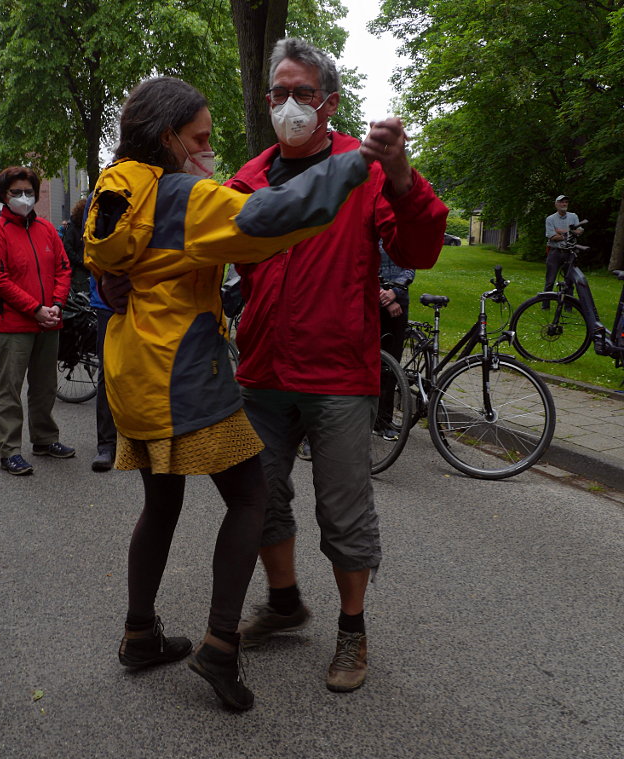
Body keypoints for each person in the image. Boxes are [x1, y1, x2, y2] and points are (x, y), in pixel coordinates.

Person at [83, 75, 395, 711]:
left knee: (161, 504)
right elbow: (272, 217)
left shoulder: (117, 189)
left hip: (133, 373)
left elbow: (105, 268)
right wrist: (354, 164)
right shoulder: (188, 196)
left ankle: (139, 634)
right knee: (251, 495)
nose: (207, 149)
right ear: (169, 137)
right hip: (186, 373)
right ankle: (220, 647)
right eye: (198, 138)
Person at [229, 38, 447, 693]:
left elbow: (419, 244)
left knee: (344, 512)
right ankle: (287, 599)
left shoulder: (365, 167)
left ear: (329, 101)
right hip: (263, 371)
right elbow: (237, 260)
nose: (289, 104)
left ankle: (353, 628)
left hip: (337, 373)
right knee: (257, 499)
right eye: (279, 92)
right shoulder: (249, 178)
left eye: (302, 92)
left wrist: (404, 176)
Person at [0, 167, 75, 476]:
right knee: (9, 389)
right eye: (17, 192)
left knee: (45, 386)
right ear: (4, 196)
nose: (24, 197)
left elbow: (63, 268)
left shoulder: (47, 229)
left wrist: (56, 305)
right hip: (13, 325)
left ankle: (45, 439)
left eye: (29, 191)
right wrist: (35, 308)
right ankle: (9, 450)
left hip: (49, 321)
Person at [376, 242, 415, 440]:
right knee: (369, 364)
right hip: (372, 303)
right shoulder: (369, 230)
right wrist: (385, 297)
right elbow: (362, 266)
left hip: (399, 303)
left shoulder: (403, 234)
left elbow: (410, 267)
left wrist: (395, 292)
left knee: (391, 367)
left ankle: (383, 421)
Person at [89, 276, 116, 472]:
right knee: (108, 372)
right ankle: (106, 444)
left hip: (147, 302)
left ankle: (143, 441)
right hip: (109, 303)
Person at [544, 194, 583, 294]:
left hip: (569, 252)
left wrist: (560, 233)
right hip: (555, 252)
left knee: (569, 281)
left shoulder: (573, 216)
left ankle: (568, 306)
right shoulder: (550, 219)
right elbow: (552, 237)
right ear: (556, 204)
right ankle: (545, 305)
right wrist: (569, 233)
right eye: (561, 202)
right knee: (550, 280)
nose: (564, 204)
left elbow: (579, 231)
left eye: (566, 202)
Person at [62, 200, 90, 293]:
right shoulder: (73, 228)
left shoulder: (79, 227)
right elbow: (68, 248)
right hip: (78, 269)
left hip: (83, 266)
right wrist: (80, 261)